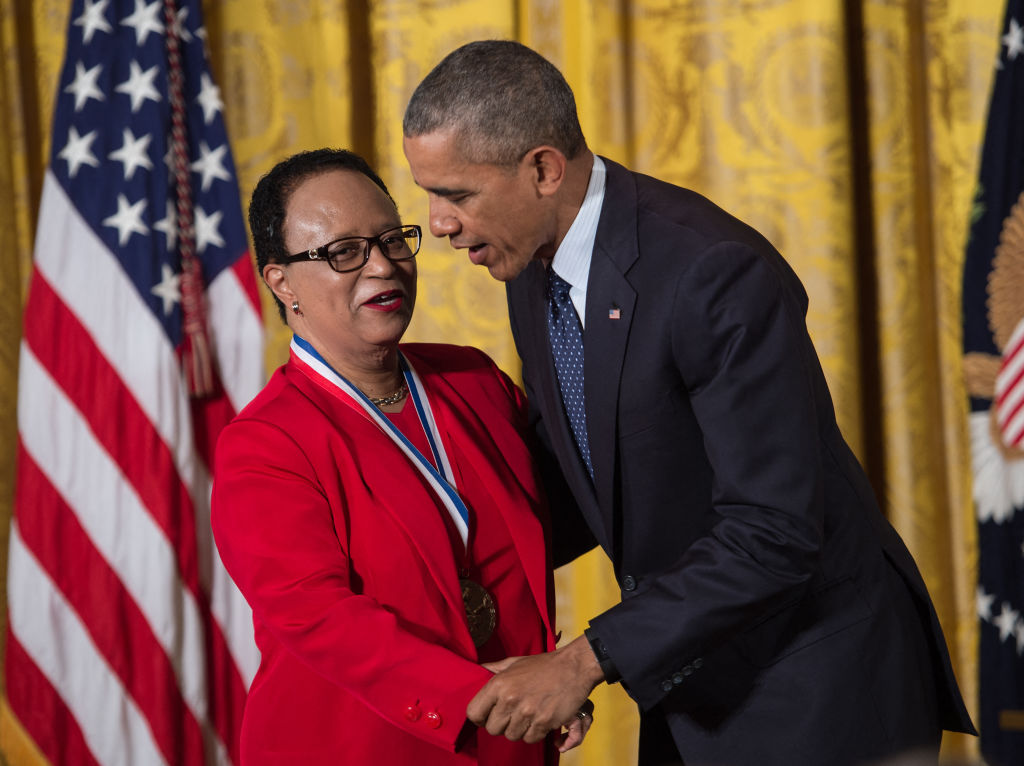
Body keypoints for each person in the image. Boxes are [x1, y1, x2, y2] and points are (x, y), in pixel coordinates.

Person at [402, 40, 977, 766]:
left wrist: (583, 662)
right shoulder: (526, 265)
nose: (440, 223)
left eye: (456, 195)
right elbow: (583, 476)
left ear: (543, 169)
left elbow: (774, 531)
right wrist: (430, 564)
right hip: (691, 683)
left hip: (816, 692)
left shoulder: (711, 273)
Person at [210, 148, 592, 765]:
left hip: (511, 745)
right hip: (359, 748)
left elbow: (561, 518)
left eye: (393, 240)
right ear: (280, 281)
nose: (383, 266)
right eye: (344, 253)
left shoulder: (475, 380)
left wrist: (561, 681)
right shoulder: (263, 445)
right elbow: (321, 620)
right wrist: (505, 695)